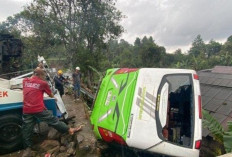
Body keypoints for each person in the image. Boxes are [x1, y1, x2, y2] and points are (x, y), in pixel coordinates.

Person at [22, 67, 82, 157]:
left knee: (27, 128)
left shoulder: (25, 81)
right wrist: (55, 98)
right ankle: (69, 130)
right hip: (38, 109)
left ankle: (27, 147)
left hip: (26, 109)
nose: (44, 77)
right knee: (53, 120)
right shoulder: (43, 83)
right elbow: (50, 94)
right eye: (43, 75)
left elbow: (33, 93)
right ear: (40, 75)